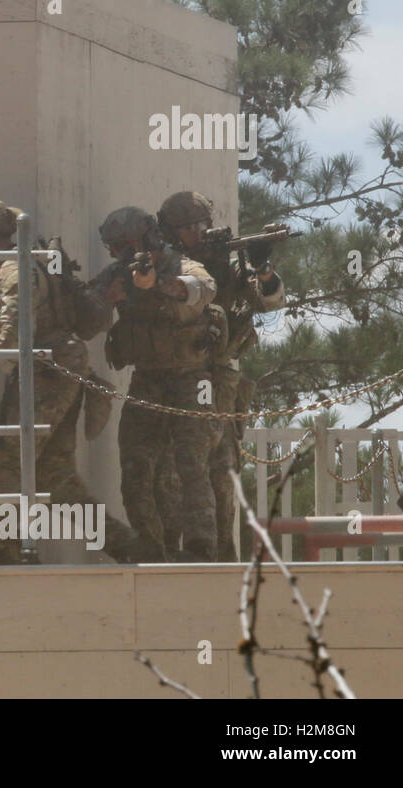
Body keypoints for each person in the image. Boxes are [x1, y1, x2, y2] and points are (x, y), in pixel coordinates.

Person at [0, 199, 142, 563]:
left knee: (3, 465)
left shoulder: (12, 270)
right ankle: (134, 551)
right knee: (54, 476)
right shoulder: (17, 267)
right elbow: (13, 331)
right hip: (54, 369)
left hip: (48, 371)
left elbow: (15, 334)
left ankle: (14, 557)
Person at [154, 191, 286, 561]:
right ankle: (180, 550)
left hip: (221, 380)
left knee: (221, 470)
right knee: (175, 472)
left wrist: (262, 267)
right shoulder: (170, 268)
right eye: (188, 227)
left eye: (202, 224)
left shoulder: (231, 267)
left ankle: (218, 553)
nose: (199, 232)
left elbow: (273, 301)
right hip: (176, 380)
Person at [94, 206, 220, 562]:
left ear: (148, 237)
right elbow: (85, 314)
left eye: (127, 245)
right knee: (135, 465)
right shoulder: (116, 275)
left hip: (191, 377)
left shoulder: (179, 264)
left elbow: (203, 287)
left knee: (192, 463)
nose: (121, 253)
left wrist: (164, 286)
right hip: (147, 379)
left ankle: (200, 549)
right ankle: (150, 549)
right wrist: (106, 300)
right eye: (114, 248)